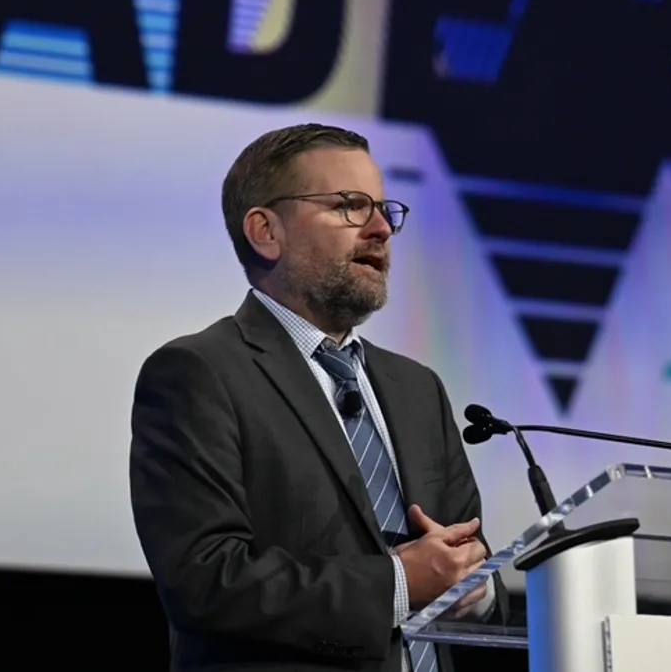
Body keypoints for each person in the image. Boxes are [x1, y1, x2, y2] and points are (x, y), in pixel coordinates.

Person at [129, 123, 507, 672]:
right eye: (350, 206)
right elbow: (207, 580)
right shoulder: (200, 373)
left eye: (384, 209)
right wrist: (398, 584)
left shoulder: (417, 389)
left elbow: (466, 555)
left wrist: (477, 588)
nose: (380, 229)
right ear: (265, 231)